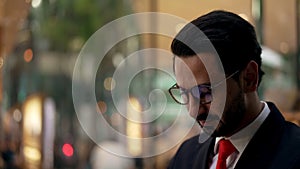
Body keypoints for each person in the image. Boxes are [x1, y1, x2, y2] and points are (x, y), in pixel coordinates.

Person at [167, 10, 300, 169]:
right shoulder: (185, 156)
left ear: (249, 78)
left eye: (205, 92)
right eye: (184, 93)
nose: (193, 111)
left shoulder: (294, 155)